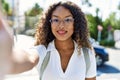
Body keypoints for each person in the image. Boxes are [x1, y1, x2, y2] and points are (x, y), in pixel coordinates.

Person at [0, 1, 96, 80]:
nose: (61, 25)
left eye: (67, 20)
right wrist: (7, 59)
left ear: (76, 23)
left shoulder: (87, 54)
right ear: (49, 23)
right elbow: (29, 58)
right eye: (56, 20)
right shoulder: (43, 50)